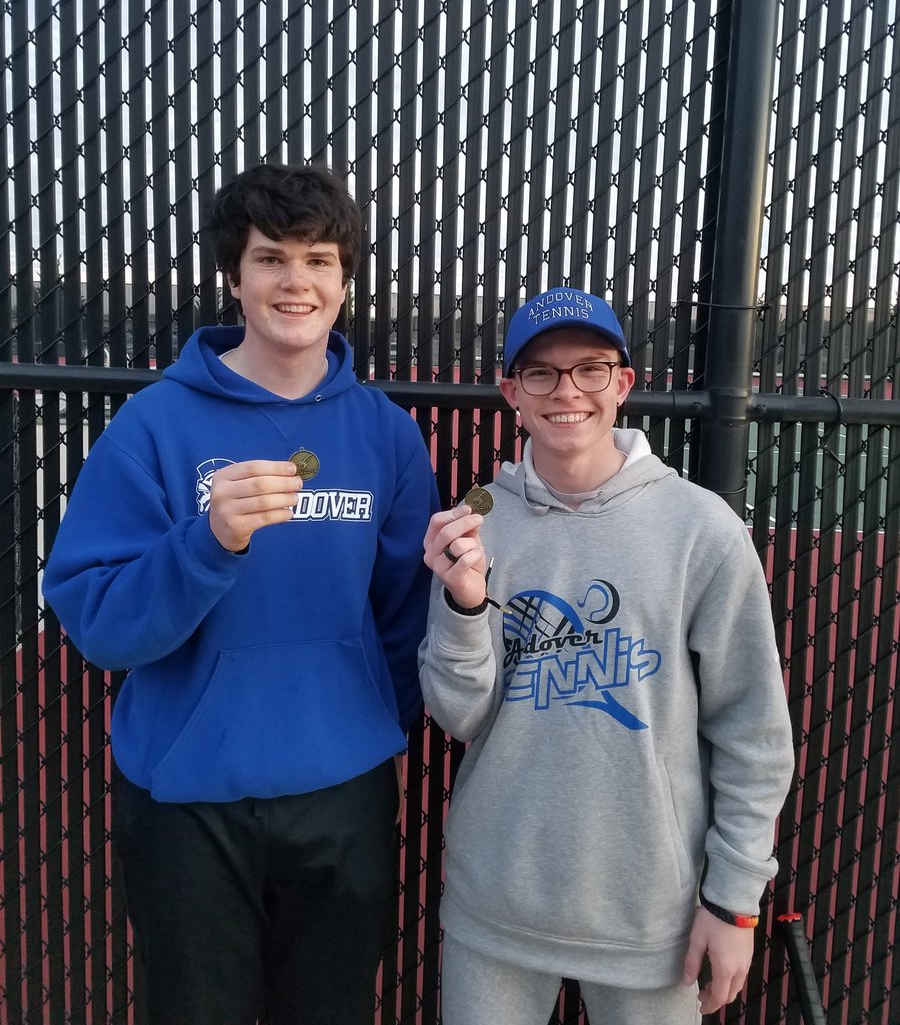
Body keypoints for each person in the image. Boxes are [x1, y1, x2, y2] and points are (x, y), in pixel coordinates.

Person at [43, 162, 439, 1025]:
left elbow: (409, 618)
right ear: (234, 277)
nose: (296, 281)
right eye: (271, 258)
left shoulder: (387, 435)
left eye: (320, 260)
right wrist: (207, 542)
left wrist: (371, 722)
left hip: (345, 790)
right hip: (187, 799)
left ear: (345, 282)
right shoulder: (155, 425)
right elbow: (98, 621)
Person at [419, 286, 794, 1025]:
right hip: (497, 907)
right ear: (510, 393)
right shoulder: (474, 520)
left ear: (622, 383)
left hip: (650, 918)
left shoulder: (700, 529)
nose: (567, 392)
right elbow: (458, 715)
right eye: (541, 373)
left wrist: (734, 900)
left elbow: (753, 733)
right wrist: (465, 605)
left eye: (590, 369)